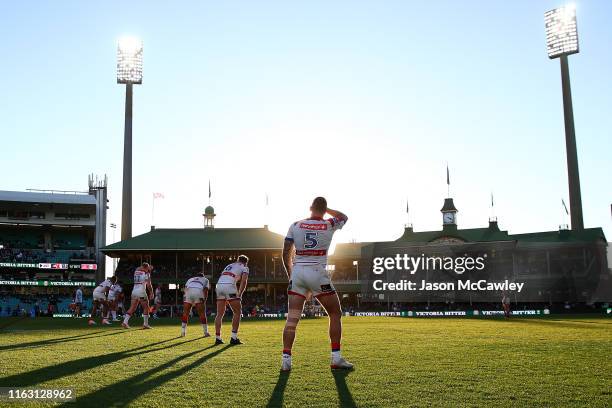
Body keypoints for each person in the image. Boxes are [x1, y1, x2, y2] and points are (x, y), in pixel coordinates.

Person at [281, 197, 353, 371]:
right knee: (335, 313)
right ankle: (336, 358)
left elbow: (285, 253)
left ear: (310, 207)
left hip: (298, 273)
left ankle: (286, 361)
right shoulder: (329, 224)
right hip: (317, 274)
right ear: (324, 209)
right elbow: (344, 216)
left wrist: (291, 275)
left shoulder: (296, 225)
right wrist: (326, 210)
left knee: (292, 319)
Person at [214, 255, 249, 345]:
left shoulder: (229, 265)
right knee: (237, 312)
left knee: (219, 314)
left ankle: (218, 338)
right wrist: (240, 294)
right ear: (245, 262)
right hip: (229, 285)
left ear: (237, 260)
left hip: (219, 285)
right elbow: (244, 281)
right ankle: (233, 338)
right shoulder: (245, 267)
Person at [122, 263, 154, 329]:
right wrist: (151, 292)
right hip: (141, 291)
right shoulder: (146, 274)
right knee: (146, 307)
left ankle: (125, 322)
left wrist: (147, 268)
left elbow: (140, 267)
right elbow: (149, 285)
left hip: (134, 291)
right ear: (146, 268)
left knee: (132, 308)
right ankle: (145, 324)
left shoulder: (136, 272)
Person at [180, 272, 211, 337]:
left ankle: (183, 332)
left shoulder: (190, 279)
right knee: (202, 313)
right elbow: (205, 290)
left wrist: (185, 298)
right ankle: (206, 332)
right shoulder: (205, 279)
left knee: (185, 313)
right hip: (198, 292)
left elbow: (185, 289)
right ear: (203, 276)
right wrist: (204, 301)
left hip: (188, 292)